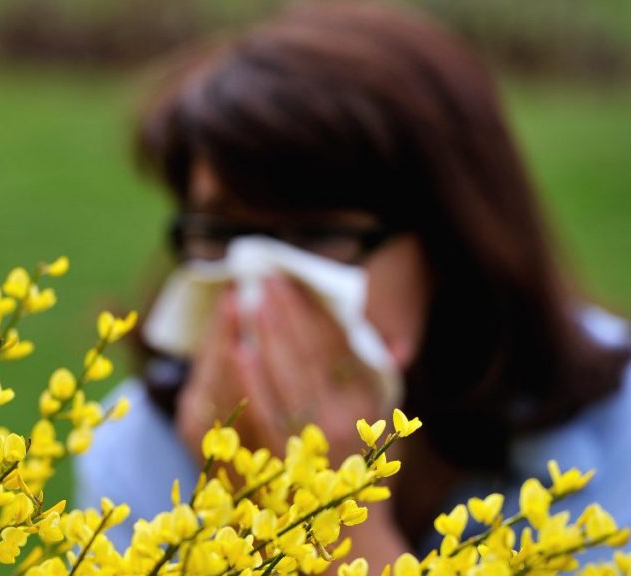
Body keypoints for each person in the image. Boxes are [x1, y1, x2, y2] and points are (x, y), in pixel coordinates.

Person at [76, 0, 631, 566]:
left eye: (318, 234)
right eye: (222, 231)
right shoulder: (142, 445)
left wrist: (331, 519)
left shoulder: (619, 439)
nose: (262, 281)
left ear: (451, 244)